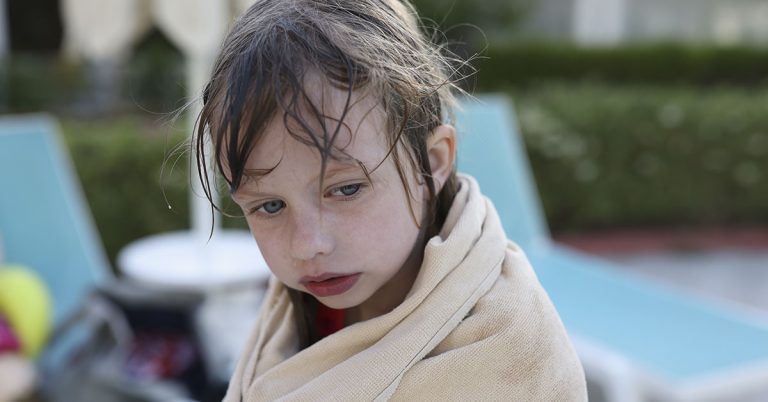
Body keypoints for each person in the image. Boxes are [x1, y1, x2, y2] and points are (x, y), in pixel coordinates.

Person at [194, 0, 587, 400]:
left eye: (346, 189)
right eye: (270, 206)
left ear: (432, 163)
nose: (308, 245)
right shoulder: (296, 313)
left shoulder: (506, 347)